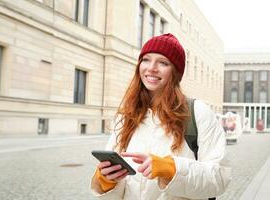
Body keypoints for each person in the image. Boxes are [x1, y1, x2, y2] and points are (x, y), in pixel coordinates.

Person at [90, 33, 231, 199]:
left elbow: (219, 179)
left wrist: (171, 169)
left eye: (163, 63)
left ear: (176, 72)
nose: (151, 68)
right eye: (146, 59)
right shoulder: (126, 115)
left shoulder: (197, 112)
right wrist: (106, 182)